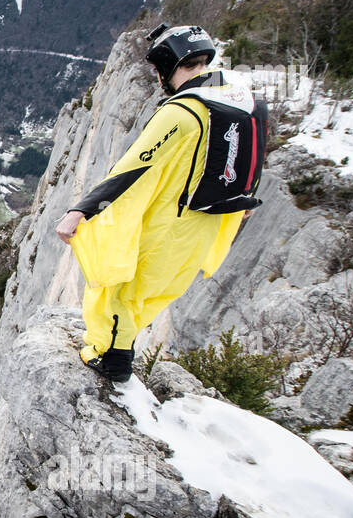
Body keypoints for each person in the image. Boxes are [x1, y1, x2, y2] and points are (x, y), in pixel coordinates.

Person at [55, 23, 268, 383]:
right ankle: (120, 351)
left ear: (169, 64)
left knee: (122, 286)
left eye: (158, 71)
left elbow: (133, 168)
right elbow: (251, 158)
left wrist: (81, 210)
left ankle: (112, 360)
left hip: (173, 222)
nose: (158, 78)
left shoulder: (182, 113)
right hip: (208, 223)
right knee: (155, 291)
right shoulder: (246, 103)